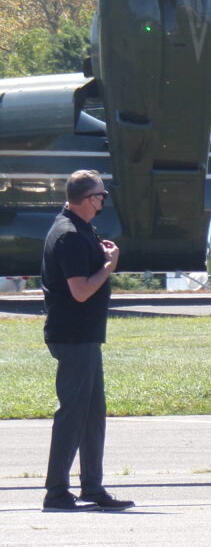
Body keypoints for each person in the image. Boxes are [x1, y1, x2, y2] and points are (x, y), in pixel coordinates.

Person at [41, 170, 134, 511]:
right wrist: (108, 266)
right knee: (73, 414)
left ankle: (92, 487)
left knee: (93, 414)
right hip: (73, 336)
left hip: (85, 336)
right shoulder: (68, 235)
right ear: (88, 199)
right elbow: (80, 292)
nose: (103, 202)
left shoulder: (79, 229)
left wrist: (102, 256)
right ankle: (56, 492)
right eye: (101, 196)